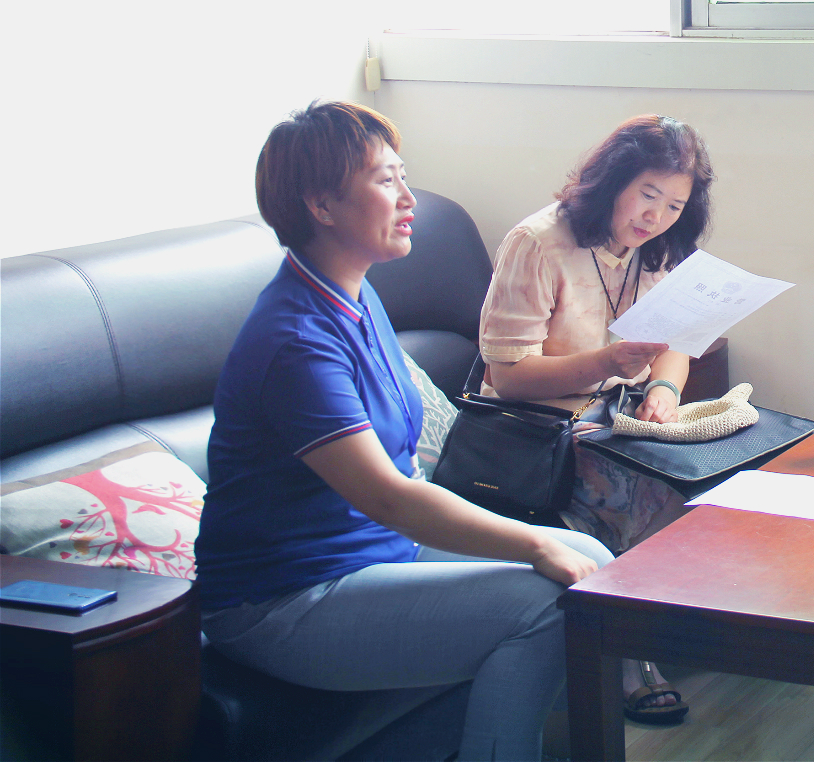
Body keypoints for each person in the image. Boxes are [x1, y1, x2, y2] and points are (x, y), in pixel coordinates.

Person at [197, 101, 612, 762]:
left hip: (378, 555)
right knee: (550, 601)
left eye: (404, 176)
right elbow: (388, 496)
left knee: (594, 562)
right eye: (385, 180)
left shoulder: (355, 295)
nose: (408, 197)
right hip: (284, 599)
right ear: (321, 206)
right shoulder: (297, 340)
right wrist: (532, 542)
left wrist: (542, 544)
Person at [478, 112, 715, 723]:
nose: (655, 217)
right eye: (647, 195)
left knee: (719, 472)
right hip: (540, 426)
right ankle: (628, 655)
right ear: (613, 180)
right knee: (635, 481)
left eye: (674, 206)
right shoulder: (538, 243)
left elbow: (675, 344)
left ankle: (660, 627)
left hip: (621, 414)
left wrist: (664, 388)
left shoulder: (658, 249)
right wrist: (607, 362)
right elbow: (508, 376)